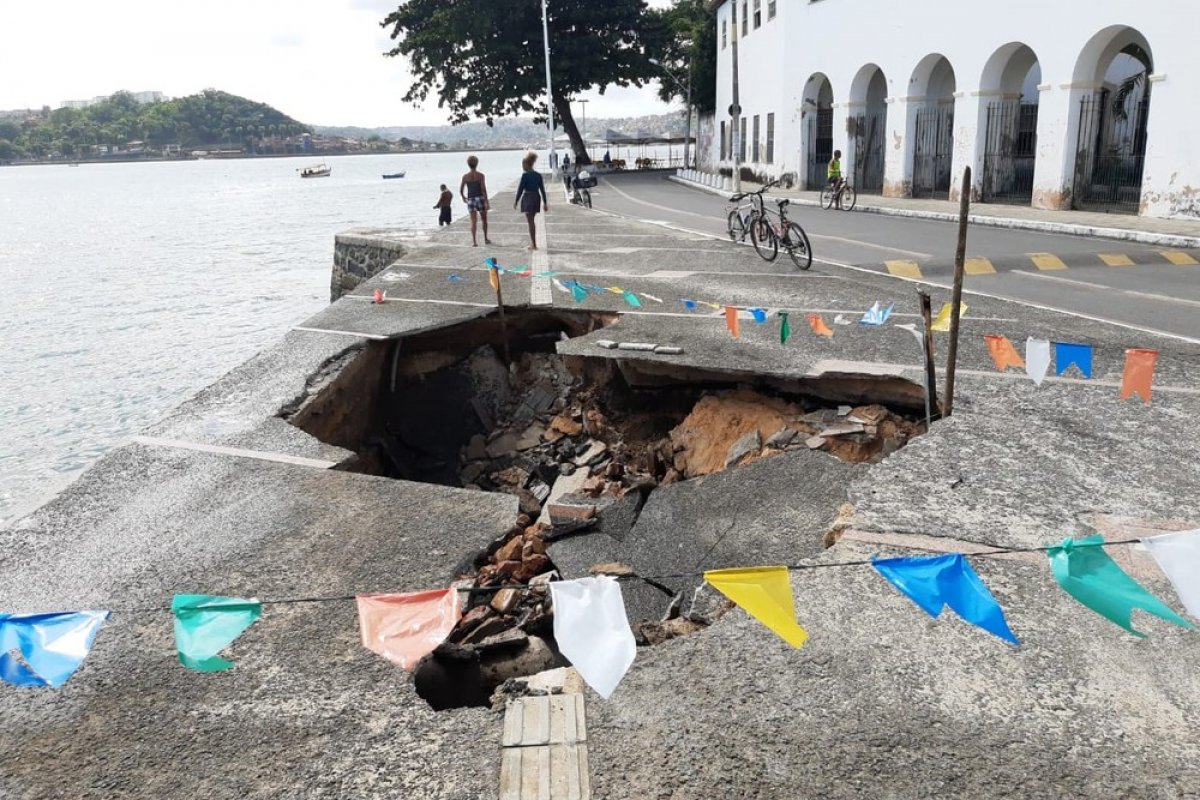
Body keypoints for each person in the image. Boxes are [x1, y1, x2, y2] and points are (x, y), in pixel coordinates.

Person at [514, 152, 549, 250]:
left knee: (530, 222)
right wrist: (545, 203)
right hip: (536, 197)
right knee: (532, 221)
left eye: (523, 165)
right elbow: (542, 190)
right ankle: (533, 243)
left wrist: (516, 201)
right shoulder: (538, 175)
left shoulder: (525, 175)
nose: (522, 167)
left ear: (527, 164)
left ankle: (534, 244)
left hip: (528, 197)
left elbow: (520, 189)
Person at [459, 155, 492, 246]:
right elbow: (483, 189)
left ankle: (474, 241)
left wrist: (463, 197)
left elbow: (461, 189)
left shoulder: (465, 176)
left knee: (473, 221)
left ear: (468, 164)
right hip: (480, 198)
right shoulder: (481, 176)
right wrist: (486, 201)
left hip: (471, 199)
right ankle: (485, 238)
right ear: (477, 164)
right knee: (484, 219)